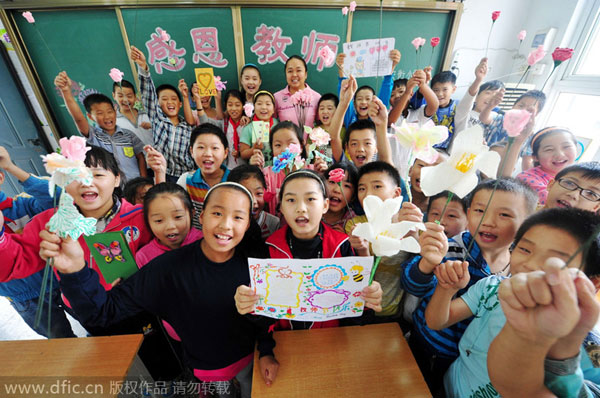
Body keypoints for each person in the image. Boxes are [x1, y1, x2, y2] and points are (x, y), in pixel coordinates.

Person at [43, 182, 276, 397]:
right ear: (202, 216)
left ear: (247, 225)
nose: (225, 224)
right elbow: (103, 312)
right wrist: (75, 271)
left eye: (238, 217)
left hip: (251, 360)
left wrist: (266, 350)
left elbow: (269, 318)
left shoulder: (254, 265)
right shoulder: (167, 270)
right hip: (206, 369)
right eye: (217, 213)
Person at [423, 208, 600, 397]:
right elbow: (436, 322)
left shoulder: (584, 350)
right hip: (448, 387)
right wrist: (447, 289)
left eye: (555, 260)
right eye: (524, 249)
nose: (530, 264)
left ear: (592, 282)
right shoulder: (492, 287)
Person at [401, 178, 538, 393]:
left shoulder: (521, 265)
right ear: (468, 212)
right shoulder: (451, 248)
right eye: (480, 210)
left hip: (467, 364)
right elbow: (413, 286)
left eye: (504, 215)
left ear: (528, 222)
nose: (488, 221)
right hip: (427, 343)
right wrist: (428, 262)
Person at [0, 146, 75, 338]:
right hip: (27, 299)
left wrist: (10, 167)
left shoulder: (20, 206)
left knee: (101, 330)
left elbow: (61, 199)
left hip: (60, 279)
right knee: (64, 344)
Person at [344, 161, 416, 320]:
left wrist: (415, 233)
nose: (368, 194)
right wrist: (362, 250)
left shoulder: (406, 226)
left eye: (377, 186)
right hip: (359, 309)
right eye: (362, 188)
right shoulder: (354, 226)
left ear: (396, 194)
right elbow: (353, 273)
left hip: (392, 312)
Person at [136, 183, 203, 342]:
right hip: (178, 333)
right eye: (159, 220)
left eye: (178, 217)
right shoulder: (144, 257)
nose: (170, 226)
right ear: (148, 222)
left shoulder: (205, 242)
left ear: (192, 213)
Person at [55, 72, 146, 182]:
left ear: (115, 112)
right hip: (111, 189)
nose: (107, 117)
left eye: (109, 111)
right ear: (90, 117)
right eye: (100, 113)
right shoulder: (93, 135)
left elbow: (140, 156)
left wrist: (143, 179)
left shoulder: (128, 135)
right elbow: (78, 118)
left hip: (135, 184)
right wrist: (66, 91)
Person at [131, 45, 196, 182]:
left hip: (186, 175)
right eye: (164, 99)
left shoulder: (188, 126)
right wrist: (144, 67)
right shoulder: (158, 119)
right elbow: (148, 94)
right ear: (158, 105)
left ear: (180, 104)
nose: (170, 102)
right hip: (163, 174)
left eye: (173, 99)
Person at [249, 121, 327, 215]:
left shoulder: (314, 171)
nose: (285, 149)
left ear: (301, 146)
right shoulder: (266, 174)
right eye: (278, 145)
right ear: (272, 149)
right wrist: (254, 173)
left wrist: (323, 175)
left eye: (291, 143)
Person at [177, 124, 230, 230]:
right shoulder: (186, 181)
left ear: (225, 152)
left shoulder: (235, 180)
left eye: (215, 148)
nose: (208, 154)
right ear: (192, 151)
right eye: (201, 147)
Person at [336, 50, 401, 127]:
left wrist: (391, 66)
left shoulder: (377, 119)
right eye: (359, 99)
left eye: (368, 99)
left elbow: (385, 90)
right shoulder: (350, 118)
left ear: (375, 102)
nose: (363, 102)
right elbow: (345, 94)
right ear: (354, 103)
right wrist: (341, 69)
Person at [517, 127, 578, 206]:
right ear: (535, 157)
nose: (559, 155)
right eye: (549, 149)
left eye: (566, 147)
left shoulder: (581, 176)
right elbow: (551, 202)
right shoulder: (526, 177)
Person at [453, 58, 505, 134]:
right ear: (476, 97)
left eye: (496, 95)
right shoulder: (465, 112)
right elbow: (469, 97)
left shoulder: (495, 117)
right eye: (488, 93)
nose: (491, 97)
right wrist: (478, 79)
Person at [227, 164, 280, 239]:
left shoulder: (273, 224)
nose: (254, 201)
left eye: (259, 193)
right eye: (246, 194)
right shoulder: (227, 223)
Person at [274, 55, 321, 128]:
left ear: (306, 74)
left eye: (298, 70)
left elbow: (322, 124)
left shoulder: (316, 97)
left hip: (309, 139)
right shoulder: (276, 98)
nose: (294, 74)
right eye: (290, 71)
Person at [239, 91, 279, 166]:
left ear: (274, 109)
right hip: (257, 170)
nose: (263, 107)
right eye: (259, 104)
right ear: (254, 107)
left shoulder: (278, 124)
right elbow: (243, 154)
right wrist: (253, 149)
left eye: (268, 104)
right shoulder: (248, 128)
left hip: (276, 170)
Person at [112, 79, 153, 147]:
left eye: (129, 96)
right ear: (114, 96)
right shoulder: (114, 122)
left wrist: (152, 127)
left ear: (135, 97)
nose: (125, 100)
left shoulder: (147, 115)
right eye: (120, 96)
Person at [323, 163, 357, 233]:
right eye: (332, 182)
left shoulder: (353, 221)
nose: (337, 190)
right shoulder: (313, 211)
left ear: (353, 196)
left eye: (347, 186)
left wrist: (345, 238)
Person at [430, 71, 459, 150]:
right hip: (426, 148)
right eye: (436, 90)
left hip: (446, 151)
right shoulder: (427, 105)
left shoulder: (458, 106)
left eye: (445, 89)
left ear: (453, 89)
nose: (440, 94)